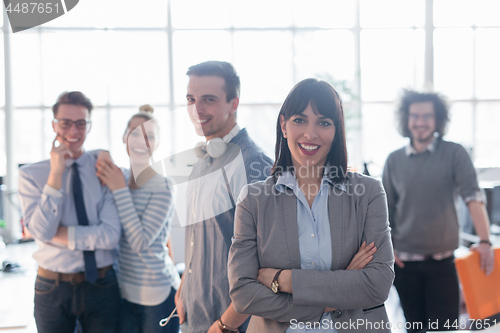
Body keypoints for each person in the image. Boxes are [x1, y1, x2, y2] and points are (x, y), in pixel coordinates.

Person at [228, 78, 395, 333]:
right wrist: (341, 286)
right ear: (283, 125)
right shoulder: (253, 199)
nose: (310, 133)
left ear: (336, 130)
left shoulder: (368, 193)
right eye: (299, 120)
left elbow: (378, 284)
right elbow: (243, 294)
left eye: (324, 122)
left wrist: (284, 280)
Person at [382, 89, 495, 332]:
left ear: (438, 119)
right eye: (414, 116)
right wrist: (387, 248)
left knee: (444, 328)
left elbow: (474, 198)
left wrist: (485, 240)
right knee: (414, 328)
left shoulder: (455, 153)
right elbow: (384, 212)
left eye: (427, 116)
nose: (420, 122)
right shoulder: (393, 160)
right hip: (404, 265)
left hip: (444, 263)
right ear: (406, 119)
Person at [174, 61, 274, 333]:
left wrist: (224, 325)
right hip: (195, 317)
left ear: (234, 103)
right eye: (191, 99)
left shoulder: (254, 165)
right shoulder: (201, 162)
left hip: (229, 325)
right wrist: (184, 288)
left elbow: (269, 263)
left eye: (209, 99)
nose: (197, 109)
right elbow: (200, 240)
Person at [18, 91, 121, 333]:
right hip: (52, 287)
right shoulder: (32, 175)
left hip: (102, 285)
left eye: (81, 123)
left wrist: (60, 235)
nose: (74, 131)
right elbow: (42, 231)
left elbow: (110, 236)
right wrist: (55, 175)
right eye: (65, 123)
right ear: (54, 125)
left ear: (89, 125)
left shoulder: (103, 168)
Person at [94, 105, 181, 333]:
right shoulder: (119, 177)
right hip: (123, 292)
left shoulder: (164, 186)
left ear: (157, 143)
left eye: (149, 135)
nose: (141, 141)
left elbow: (140, 242)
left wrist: (119, 190)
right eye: (134, 133)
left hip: (157, 295)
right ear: (124, 138)